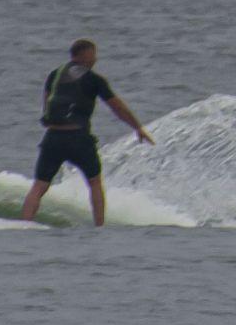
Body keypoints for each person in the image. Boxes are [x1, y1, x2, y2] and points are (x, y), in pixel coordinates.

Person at [19, 38, 152, 226]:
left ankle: (25, 224)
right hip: (78, 138)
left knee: (39, 186)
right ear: (85, 55)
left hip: (53, 137)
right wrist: (137, 128)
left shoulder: (55, 75)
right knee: (95, 183)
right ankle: (99, 226)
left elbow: (47, 104)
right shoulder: (94, 80)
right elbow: (117, 107)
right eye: (93, 55)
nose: (95, 59)